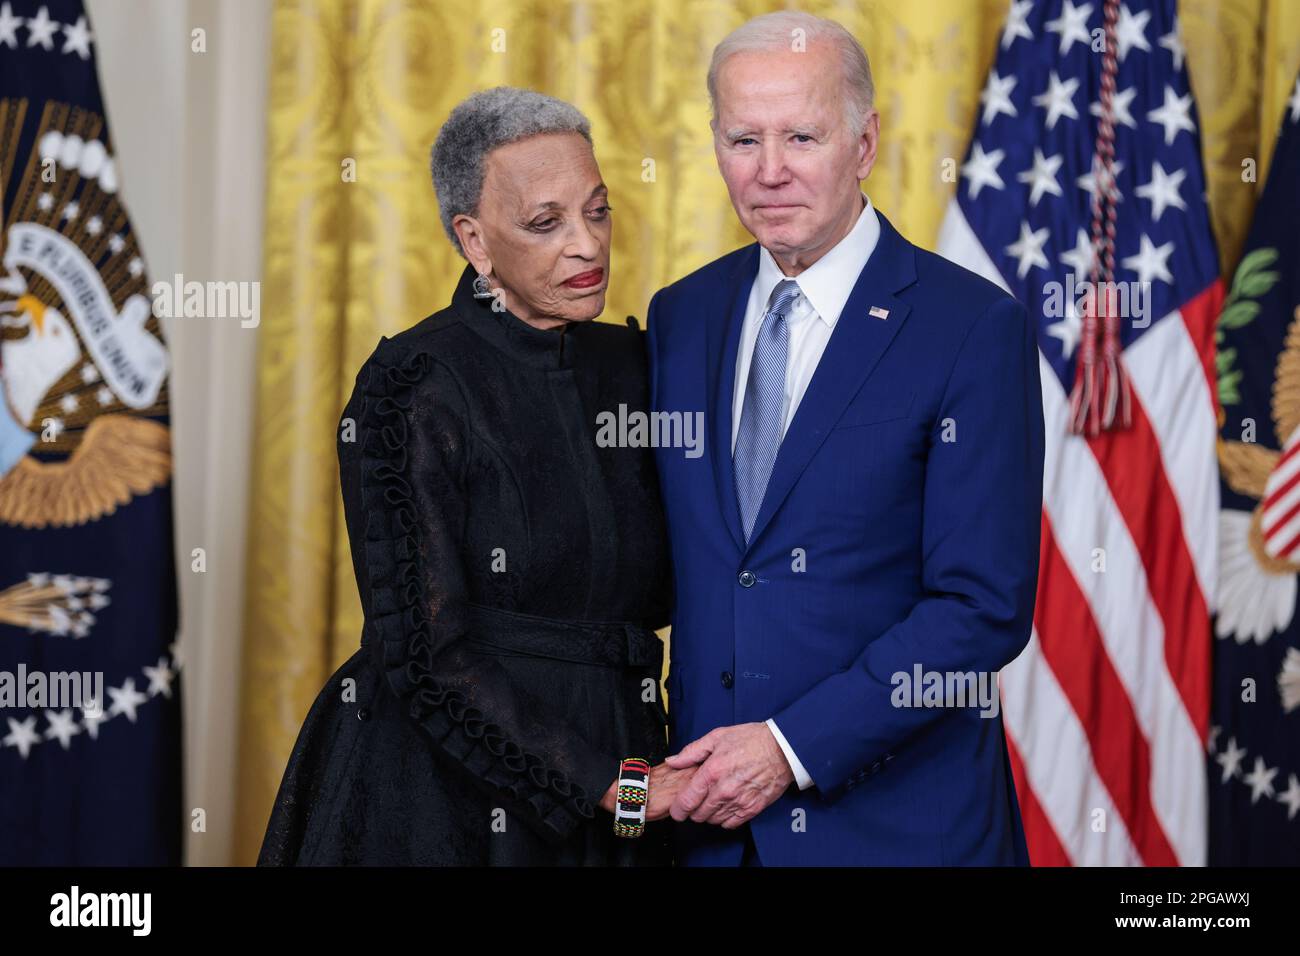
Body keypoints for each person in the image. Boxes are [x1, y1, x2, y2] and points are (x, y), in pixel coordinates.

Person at [647, 11, 1045, 865]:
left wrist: (789, 748)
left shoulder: (971, 326)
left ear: (864, 143)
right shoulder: (681, 318)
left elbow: (982, 608)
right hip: (708, 836)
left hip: (897, 831)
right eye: (743, 139)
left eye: (802, 135)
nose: (771, 171)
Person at [259, 86, 691, 865]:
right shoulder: (411, 383)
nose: (588, 245)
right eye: (545, 222)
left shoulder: (637, 365)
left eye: (599, 211)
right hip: (443, 797)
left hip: (628, 770)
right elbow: (428, 656)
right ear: (474, 239)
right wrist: (619, 787)